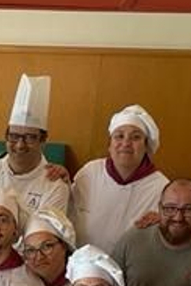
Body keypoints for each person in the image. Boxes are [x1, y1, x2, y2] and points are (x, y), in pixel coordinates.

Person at [0, 74, 71, 215]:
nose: (20, 145)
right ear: (6, 137)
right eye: (14, 136)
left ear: (43, 141)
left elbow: (46, 234)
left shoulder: (55, 186)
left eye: (29, 137)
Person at [71, 104, 171, 255]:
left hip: (132, 271)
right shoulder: (89, 173)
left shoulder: (162, 188)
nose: (126, 143)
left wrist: (164, 226)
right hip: (81, 267)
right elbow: (65, 217)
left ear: (146, 147)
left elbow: (170, 240)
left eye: (136, 137)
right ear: (109, 144)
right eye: (119, 136)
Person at [19, 207, 80, 286]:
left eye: (47, 246)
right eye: (30, 250)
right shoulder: (20, 285)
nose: (39, 256)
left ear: (64, 246)